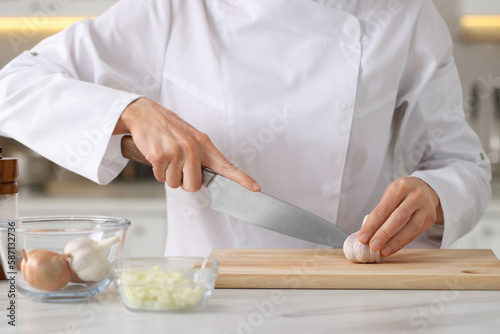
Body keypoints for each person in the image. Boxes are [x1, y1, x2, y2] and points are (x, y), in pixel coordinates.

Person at [0, 0, 491, 257]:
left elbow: (462, 165)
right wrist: (133, 111)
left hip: (353, 301)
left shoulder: (403, 15)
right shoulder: (173, 10)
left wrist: (433, 193)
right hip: (205, 303)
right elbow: (15, 86)